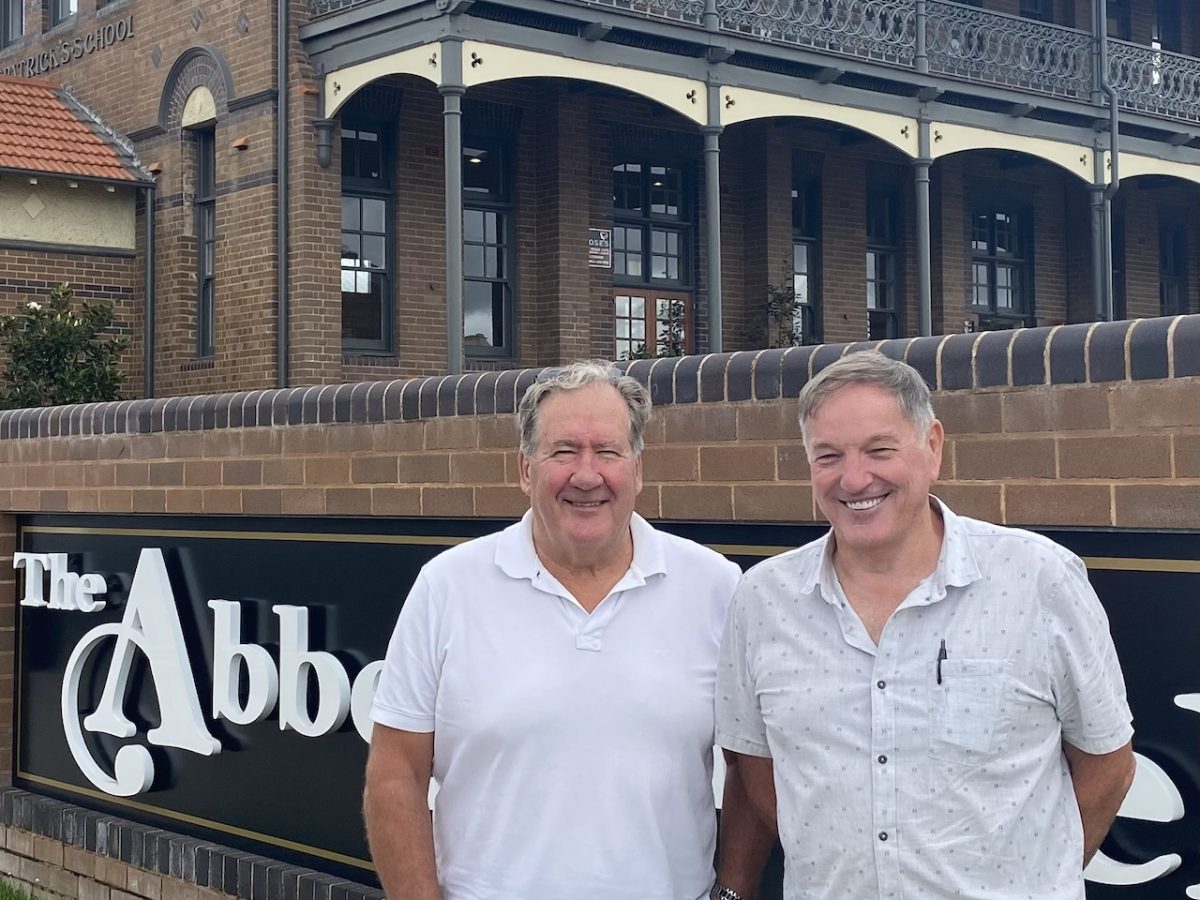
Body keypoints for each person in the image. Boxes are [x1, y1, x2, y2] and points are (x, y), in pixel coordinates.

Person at [715, 351, 1135, 899]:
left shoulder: (1038, 578)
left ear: (932, 446)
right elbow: (756, 766)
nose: (854, 477)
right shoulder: (763, 599)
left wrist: (1035, 873)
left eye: (879, 450)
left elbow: (1108, 765)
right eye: (828, 456)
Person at [365, 360, 769, 900]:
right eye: (563, 451)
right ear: (526, 470)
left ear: (638, 469)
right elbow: (395, 772)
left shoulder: (716, 586)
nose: (586, 474)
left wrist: (732, 892)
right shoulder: (447, 586)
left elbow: (751, 761)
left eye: (607, 451)